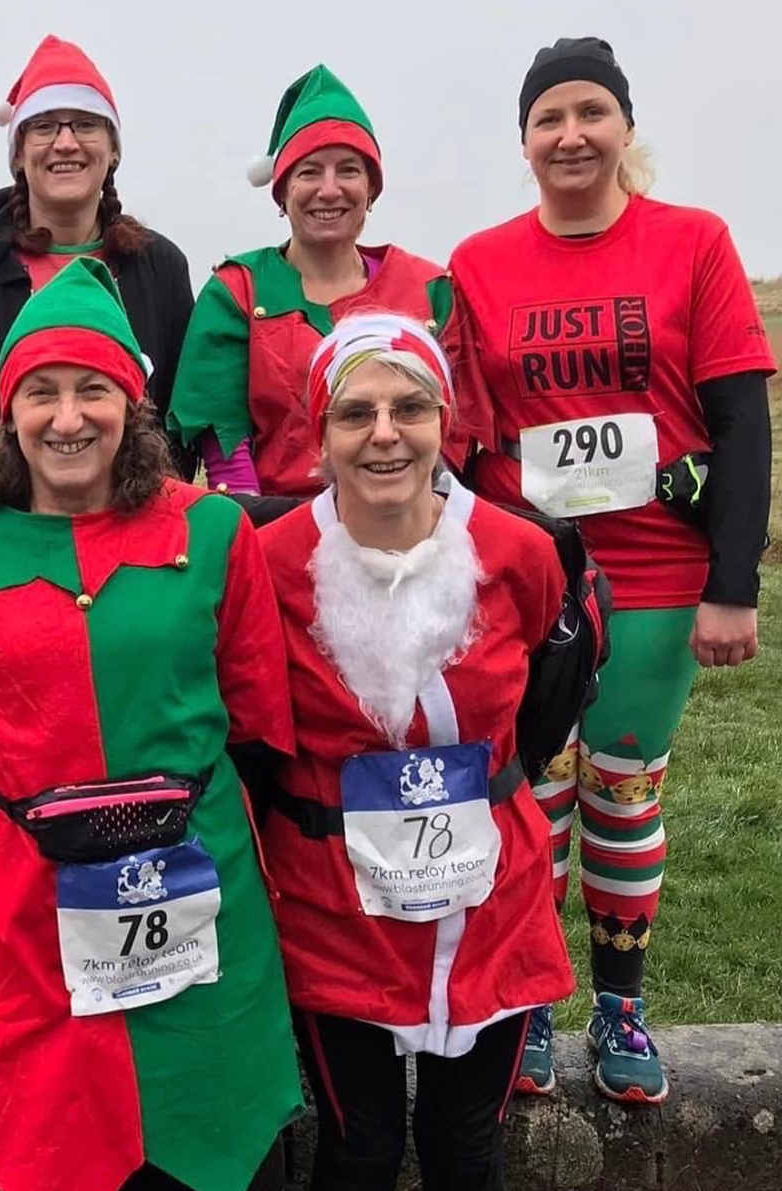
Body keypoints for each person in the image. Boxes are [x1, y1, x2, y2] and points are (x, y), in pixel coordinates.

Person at [0, 257, 302, 1191]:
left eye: (93, 389)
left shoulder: (214, 532)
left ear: (133, 403)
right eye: (41, 392)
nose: (68, 417)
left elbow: (253, 709)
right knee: (44, 1143)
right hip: (22, 901)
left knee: (202, 1134)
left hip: (195, 875)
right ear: (9, 412)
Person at [448, 36, 775, 1105]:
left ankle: (620, 1007)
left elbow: (741, 421)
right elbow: (461, 431)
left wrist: (734, 584)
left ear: (625, 127)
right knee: (533, 798)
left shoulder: (693, 242)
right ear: (524, 141)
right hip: (532, 580)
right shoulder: (480, 262)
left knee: (623, 793)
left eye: (591, 111)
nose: (570, 134)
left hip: (658, 579)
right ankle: (533, 1004)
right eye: (548, 118)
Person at [255, 313, 576, 1191]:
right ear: (320, 433)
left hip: (489, 904)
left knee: (466, 1143)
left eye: (410, 408)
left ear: (445, 420)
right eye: (356, 413)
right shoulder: (270, 563)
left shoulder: (522, 550)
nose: (385, 433)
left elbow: (542, 696)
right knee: (358, 1146)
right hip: (334, 909)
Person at [0, 34, 194, 513]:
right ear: (18, 154)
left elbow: (175, 430)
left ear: (113, 149)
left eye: (86, 124)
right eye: (43, 126)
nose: (66, 142)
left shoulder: (161, 267)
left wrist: (140, 523)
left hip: (129, 526)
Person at [167, 66, 461, 497]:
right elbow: (225, 443)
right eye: (309, 172)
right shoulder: (238, 292)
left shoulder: (428, 288)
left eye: (348, 170)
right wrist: (260, 527)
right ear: (282, 191)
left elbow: (451, 438)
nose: (329, 190)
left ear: (371, 189)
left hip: (409, 515)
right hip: (275, 520)